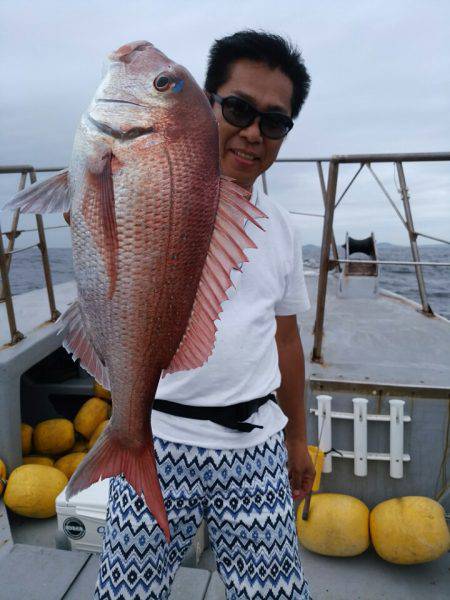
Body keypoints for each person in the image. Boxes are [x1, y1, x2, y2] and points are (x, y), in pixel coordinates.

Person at [95, 30, 314, 600]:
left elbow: (286, 340)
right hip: (154, 435)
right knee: (126, 593)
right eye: (238, 109)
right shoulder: (139, 184)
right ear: (206, 104)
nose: (252, 133)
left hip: (255, 443)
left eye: (275, 121)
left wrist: (297, 441)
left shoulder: (284, 228)